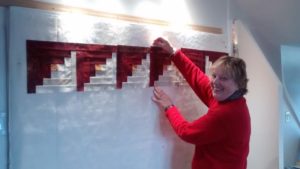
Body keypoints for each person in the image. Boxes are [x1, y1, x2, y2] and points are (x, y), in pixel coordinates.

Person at [151, 37, 251, 169]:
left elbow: (187, 132)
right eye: (215, 76)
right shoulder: (232, 99)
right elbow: (198, 79)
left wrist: (169, 106)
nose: (215, 82)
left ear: (239, 84)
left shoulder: (225, 113)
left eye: (224, 78)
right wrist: (173, 53)